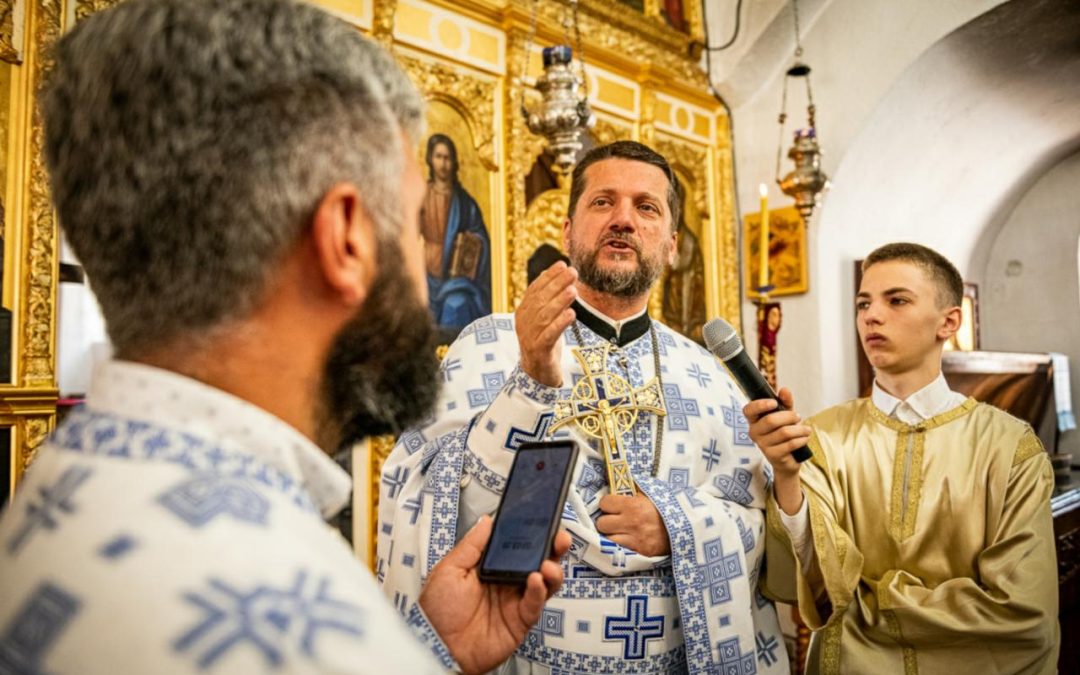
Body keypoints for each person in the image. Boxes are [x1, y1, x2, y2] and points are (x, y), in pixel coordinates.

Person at [0, 1, 568, 673]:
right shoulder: (315, 638)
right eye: (417, 226)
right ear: (347, 239)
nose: (426, 276)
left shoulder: (58, 487)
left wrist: (432, 652)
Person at [380, 141, 788, 674]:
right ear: (568, 230)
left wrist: (676, 525)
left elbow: (761, 526)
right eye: (603, 201)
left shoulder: (708, 376)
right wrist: (529, 378)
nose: (623, 219)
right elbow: (427, 501)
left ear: (671, 245)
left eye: (646, 207)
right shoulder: (489, 344)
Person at [747, 242, 1059, 673]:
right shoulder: (821, 436)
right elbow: (811, 583)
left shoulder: (1011, 447)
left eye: (896, 300)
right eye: (863, 303)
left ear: (949, 321)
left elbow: (1023, 610)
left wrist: (866, 604)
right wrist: (786, 474)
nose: (871, 316)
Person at [421, 134, 492, 340]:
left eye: (447, 158)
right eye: (438, 157)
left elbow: (482, 237)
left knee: (456, 303)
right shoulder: (421, 196)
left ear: (454, 162)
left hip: (456, 279)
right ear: (430, 159)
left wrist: (472, 242)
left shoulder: (464, 202)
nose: (443, 164)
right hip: (425, 272)